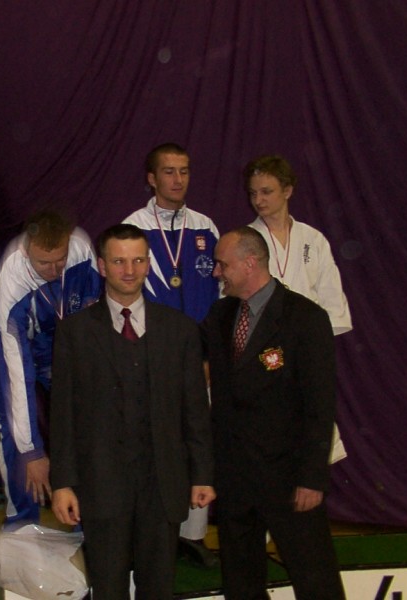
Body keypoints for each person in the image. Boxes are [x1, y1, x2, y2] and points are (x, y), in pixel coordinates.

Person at [51, 224, 215, 599]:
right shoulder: (75, 332)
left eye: (138, 260)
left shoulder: (181, 330)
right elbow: (63, 415)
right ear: (102, 265)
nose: (129, 270)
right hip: (100, 485)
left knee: (158, 588)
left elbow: (195, 411)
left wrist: (202, 474)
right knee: (108, 588)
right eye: (119, 261)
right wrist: (63, 483)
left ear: (148, 263)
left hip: (163, 484)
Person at [203, 227, 345, 599]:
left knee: (315, 579)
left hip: (289, 477)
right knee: (241, 582)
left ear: (250, 264)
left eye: (223, 264)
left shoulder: (305, 318)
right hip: (235, 477)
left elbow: (320, 405)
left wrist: (312, 478)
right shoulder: (220, 315)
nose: (216, 272)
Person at [123, 142, 220, 566]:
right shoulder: (133, 228)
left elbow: (220, 294)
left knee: (198, 439)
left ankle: (193, 535)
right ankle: (153, 530)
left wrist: (211, 356)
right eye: (168, 171)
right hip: (149, 356)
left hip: (198, 357)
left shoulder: (205, 227)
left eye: (184, 171)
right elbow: (124, 296)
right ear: (151, 178)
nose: (178, 180)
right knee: (152, 442)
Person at [0, 210, 101, 525]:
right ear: (26, 250)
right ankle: (22, 523)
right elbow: (16, 376)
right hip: (6, 341)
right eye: (43, 263)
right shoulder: (11, 274)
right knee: (13, 427)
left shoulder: (80, 247)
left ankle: (87, 515)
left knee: (86, 417)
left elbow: (93, 318)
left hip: (57, 334)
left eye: (60, 261)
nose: (54, 270)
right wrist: (32, 452)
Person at [245, 154, 352, 462]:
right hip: (262, 352)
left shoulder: (313, 240)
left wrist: (313, 347)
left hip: (307, 350)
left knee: (312, 432)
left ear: (288, 190)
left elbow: (331, 302)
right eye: (253, 193)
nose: (259, 200)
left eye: (267, 191)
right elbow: (234, 303)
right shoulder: (244, 241)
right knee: (268, 438)